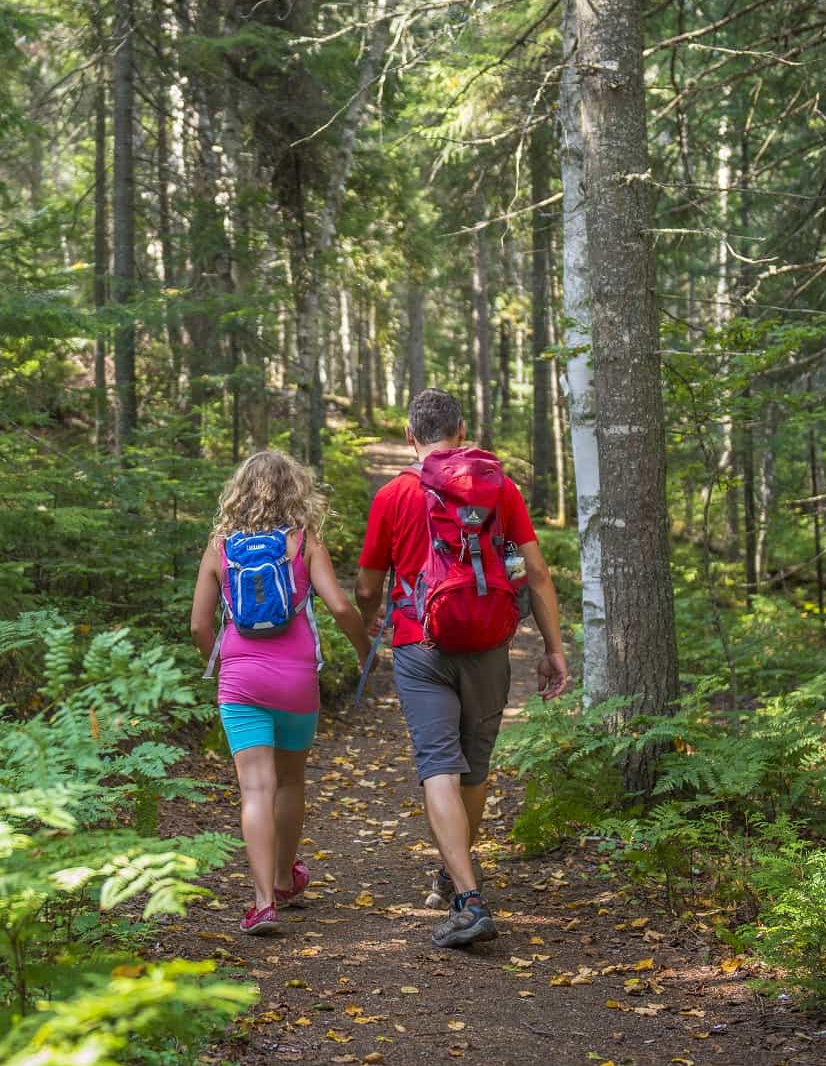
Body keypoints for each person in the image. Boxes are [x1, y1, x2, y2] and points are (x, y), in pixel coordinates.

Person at [355, 388, 571, 948]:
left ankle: (466, 897)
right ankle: (456, 875)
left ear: (410, 437)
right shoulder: (499, 488)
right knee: (473, 768)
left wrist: (371, 617)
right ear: (462, 429)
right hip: (489, 645)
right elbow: (538, 573)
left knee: (437, 767)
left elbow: (365, 585)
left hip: (420, 643)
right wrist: (553, 648)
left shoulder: (394, 494)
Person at [191, 450, 371, 937]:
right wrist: (364, 650)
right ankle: (284, 879)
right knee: (290, 782)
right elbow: (338, 604)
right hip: (296, 681)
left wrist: (224, 661)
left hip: (240, 681)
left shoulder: (220, 546)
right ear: (297, 491)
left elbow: (198, 625)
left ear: (238, 491)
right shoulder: (304, 542)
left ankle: (262, 902)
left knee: (255, 788)